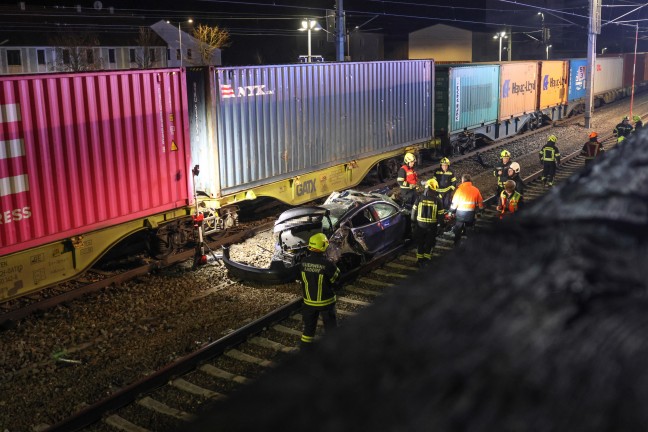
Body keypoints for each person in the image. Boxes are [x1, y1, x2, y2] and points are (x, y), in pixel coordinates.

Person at [299, 233, 341, 349]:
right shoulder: (327, 264)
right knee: (330, 328)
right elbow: (336, 280)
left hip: (308, 303)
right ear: (323, 246)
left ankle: (304, 352)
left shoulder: (303, 262)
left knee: (308, 330)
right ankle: (333, 351)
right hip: (326, 303)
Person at [411, 178, 446, 266]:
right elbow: (441, 216)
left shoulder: (419, 198)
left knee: (420, 243)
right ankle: (426, 260)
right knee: (429, 243)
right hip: (431, 226)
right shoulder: (437, 200)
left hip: (420, 225)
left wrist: (413, 223)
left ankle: (419, 260)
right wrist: (441, 225)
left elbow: (413, 212)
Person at [449, 174, 484, 246]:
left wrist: (451, 211)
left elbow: (454, 203)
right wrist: (481, 210)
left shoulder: (459, 190)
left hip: (460, 214)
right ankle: (470, 244)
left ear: (462, 181)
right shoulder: (475, 189)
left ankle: (456, 243)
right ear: (470, 180)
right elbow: (480, 202)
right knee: (469, 228)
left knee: (458, 229)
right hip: (470, 214)